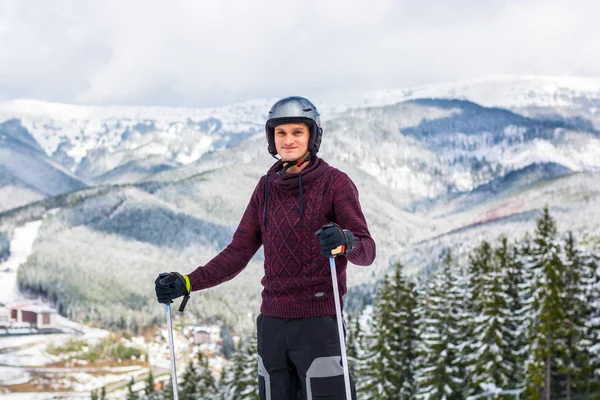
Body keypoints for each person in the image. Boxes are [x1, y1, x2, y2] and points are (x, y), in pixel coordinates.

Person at [155, 96, 376, 399]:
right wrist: (188, 281)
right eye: (280, 133)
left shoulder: (335, 184)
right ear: (271, 138)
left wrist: (345, 242)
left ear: (313, 136)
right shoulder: (266, 188)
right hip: (272, 325)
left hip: (319, 324)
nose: (288, 140)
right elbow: (237, 252)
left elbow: (367, 249)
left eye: (297, 132)